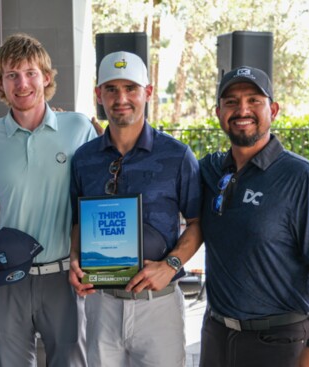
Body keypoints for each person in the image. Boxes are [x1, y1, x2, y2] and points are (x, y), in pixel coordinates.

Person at [198, 66, 309, 367]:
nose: (242, 110)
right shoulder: (209, 170)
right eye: (231, 101)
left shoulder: (302, 177)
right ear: (218, 112)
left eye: (254, 100)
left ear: (273, 110)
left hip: (279, 342)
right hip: (216, 336)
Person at [69, 51, 203, 367]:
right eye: (111, 89)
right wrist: (75, 258)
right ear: (98, 94)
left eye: (130, 88)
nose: (121, 98)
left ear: (148, 92)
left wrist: (170, 264)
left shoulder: (177, 156)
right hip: (101, 304)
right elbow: (78, 222)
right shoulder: (84, 159)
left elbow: (198, 222)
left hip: (158, 306)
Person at [0, 33, 97, 367]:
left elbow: (94, 199)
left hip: (65, 276)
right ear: (1, 83)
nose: (22, 83)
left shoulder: (78, 128)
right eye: (11, 75)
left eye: (30, 72)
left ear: (45, 76)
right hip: (8, 277)